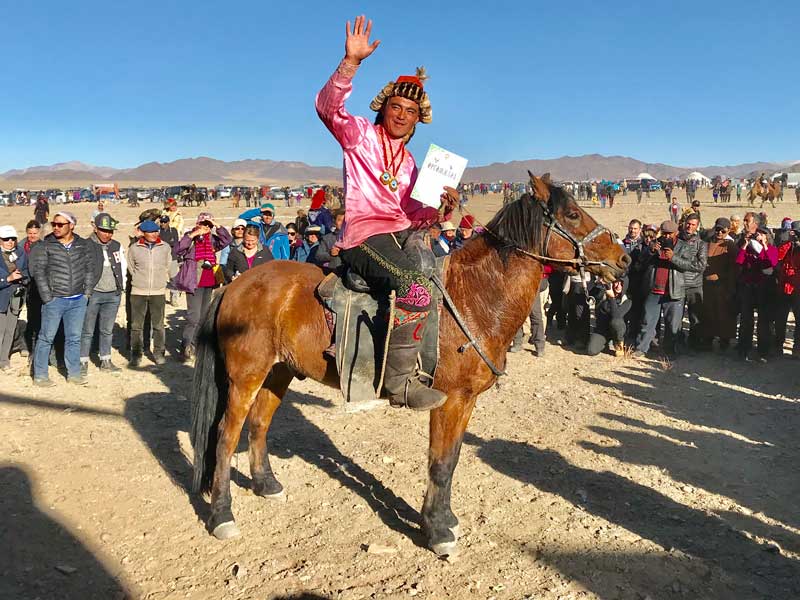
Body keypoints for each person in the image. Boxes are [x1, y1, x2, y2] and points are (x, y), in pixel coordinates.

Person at [315, 15, 457, 410]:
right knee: (415, 288)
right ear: (384, 109)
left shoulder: (411, 163)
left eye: (410, 111)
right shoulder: (359, 134)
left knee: (440, 281)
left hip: (398, 236)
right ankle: (398, 386)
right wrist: (351, 62)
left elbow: (412, 214)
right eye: (396, 107)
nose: (402, 115)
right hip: (364, 235)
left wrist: (439, 209)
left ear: (417, 120)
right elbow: (328, 108)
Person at [28, 211, 99, 386]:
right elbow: (39, 273)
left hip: (77, 300)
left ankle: (74, 374)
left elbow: (90, 269)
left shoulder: (82, 245)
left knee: (74, 337)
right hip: (55, 300)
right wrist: (47, 298)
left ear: (71, 225)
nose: (56, 227)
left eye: (61, 224)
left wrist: (87, 293)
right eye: (54, 224)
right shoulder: (46, 245)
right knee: (46, 337)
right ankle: (40, 376)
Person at [633, 221, 698, 358]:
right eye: (665, 233)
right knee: (647, 321)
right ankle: (641, 348)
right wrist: (650, 251)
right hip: (654, 288)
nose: (667, 236)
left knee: (672, 324)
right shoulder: (654, 243)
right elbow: (641, 261)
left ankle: (670, 352)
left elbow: (689, 266)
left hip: (674, 290)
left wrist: (673, 258)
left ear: (676, 233)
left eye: (670, 233)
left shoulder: (683, 246)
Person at [173, 213, 231, 360]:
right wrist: (193, 234)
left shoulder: (212, 240)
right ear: (198, 223)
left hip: (210, 282)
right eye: (204, 224)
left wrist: (217, 225)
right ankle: (185, 347)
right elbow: (178, 249)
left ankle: (196, 345)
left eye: (208, 225)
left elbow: (227, 240)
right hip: (194, 282)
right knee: (194, 317)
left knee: (204, 317)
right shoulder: (190, 237)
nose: (206, 227)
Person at [80, 213, 126, 375]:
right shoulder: (86, 245)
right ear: (96, 228)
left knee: (107, 330)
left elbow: (122, 267)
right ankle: (82, 361)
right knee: (87, 330)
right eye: (104, 230)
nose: (108, 234)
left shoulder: (117, 246)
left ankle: (105, 360)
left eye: (111, 231)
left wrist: (121, 287)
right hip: (94, 294)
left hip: (113, 294)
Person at [127, 220, 172, 366]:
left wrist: (161, 281)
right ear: (143, 233)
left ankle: (159, 353)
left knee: (158, 325)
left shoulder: (165, 247)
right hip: (138, 292)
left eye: (156, 231)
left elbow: (168, 265)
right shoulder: (134, 248)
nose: (155, 234)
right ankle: (136, 354)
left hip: (158, 292)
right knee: (136, 326)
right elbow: (131, 268)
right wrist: (140, 281)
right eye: (151, 232)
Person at [735, 225, 778, 362]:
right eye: (757, 234)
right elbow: (739, 261)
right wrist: (745, 245)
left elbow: (771, 262)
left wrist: (764, 246)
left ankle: (763, 350)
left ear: (767, 236)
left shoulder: (771, 249)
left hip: (763, 288)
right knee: (746, 319)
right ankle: (744, 348)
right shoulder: (749, 249)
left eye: (762, 234)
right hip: (749, 286)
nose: (758, 236)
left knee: (763, 321)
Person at [698, 218, 738, 350]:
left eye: (723, 230)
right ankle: (708, 338)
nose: (720, 232)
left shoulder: (730, 245)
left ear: (728, 231)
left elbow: (734, 268)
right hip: (706, 284)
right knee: (708, 312)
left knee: (723, 314)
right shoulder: (707, 243)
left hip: (723, 284)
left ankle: (724, 340)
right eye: (717, 229)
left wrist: (730, 288)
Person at [0, 226, 28, 370]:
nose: (10, 242)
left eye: (13, 239)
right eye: (6, 239)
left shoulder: (20, 252)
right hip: (1, 299)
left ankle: (4, 360)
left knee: (10, 329)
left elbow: (27, 271)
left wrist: (23, 278)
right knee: (1, 330)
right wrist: (7, 279)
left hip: (16, 298)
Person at [678, 214, 707, 349]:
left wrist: (678, 261)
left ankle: (694, 343)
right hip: (677, 283)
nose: (689, 226)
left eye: (693, 224)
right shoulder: (676, 240)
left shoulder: (701, 244)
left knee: (695, 317)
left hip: (694, 285)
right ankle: (678, 342)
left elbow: (701, 266)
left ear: (697, 226)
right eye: (688, 224)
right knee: (676, 317)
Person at [774, 221, 800, 357]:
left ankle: (797, 348)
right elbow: (776, 261)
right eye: (792, 233)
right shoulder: (786, 246)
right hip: (783, 288)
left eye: (797, 233)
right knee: (780, 319)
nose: (794, 235)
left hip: (797, 289)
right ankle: (778, 345)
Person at [587, 276, 631, 357]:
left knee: (616, 322)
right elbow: (591, 295)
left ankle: (619, 344)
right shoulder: (604, 292)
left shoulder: (627, 300)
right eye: (617, 282)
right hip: (603, 330)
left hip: (618, 331)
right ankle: (605, 343)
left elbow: (616, 316)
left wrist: (612, 298)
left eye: (622, 284)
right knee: (591, 351)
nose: (618, 286)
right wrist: (598, 284)